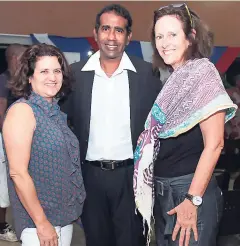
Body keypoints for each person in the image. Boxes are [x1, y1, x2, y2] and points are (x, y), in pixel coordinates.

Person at [133, 3, 237, 246]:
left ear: (190, 37)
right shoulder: (172, 79)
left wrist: (192, 200)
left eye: (172, 34)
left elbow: (215, 144)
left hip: (188, 192)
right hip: (164, 190)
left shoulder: (203, 73)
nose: (164, 42)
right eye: (159, 36)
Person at [60, 3, 162, 246]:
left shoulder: (147, 75)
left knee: (131, 241)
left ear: (128, 37)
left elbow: (159, 126)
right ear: (95, 33)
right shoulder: (75, 75)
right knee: (96, 240)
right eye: (106, 29)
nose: (112, 37)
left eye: (119, 30)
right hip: (89, 177)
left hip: (132, 177)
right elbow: (62, 125)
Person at [2, 43, 86, 246]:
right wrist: (41, 223)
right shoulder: (22, 111)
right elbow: (18, 173)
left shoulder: (54, 113)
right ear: (30, 77)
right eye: (44, 71)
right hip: (38, 223)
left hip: (62, 219)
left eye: (57, 71)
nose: (53, 77)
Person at [0, 43, 27, 242]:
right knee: (2, 186)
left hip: (19, 140)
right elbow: (1, 113)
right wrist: (10, 140)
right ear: (16, 58)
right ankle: (2, 227)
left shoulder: (23, 81)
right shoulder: (4, 80)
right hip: (5, 141)